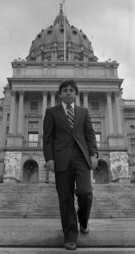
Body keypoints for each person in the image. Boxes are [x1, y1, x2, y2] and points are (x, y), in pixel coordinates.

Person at [43, 79, 98, 250]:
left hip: (81, 158)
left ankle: (83, 220)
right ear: (60, 94)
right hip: (61, 159)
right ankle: (70, 236)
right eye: (65, 90)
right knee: (65, 199)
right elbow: (48, 138)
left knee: (85, 192)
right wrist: (49, 158)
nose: (68, 93)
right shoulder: (51, 112)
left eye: (71, 90)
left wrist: (94, 155)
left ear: (75, 94)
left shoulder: (83, 112)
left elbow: (90, 135)